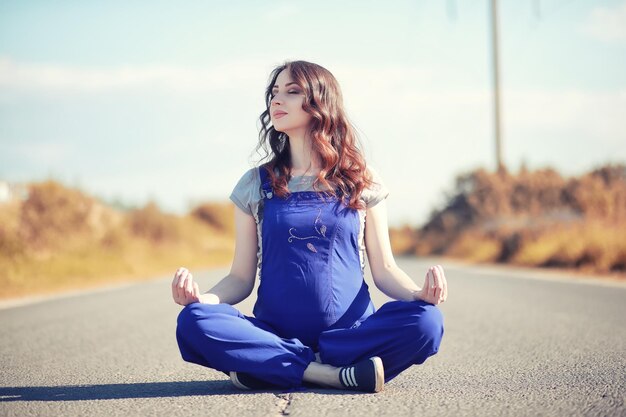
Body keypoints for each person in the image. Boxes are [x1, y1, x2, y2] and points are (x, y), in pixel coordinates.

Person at [172, 60, 447, 393]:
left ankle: (271, 367)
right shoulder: (254, 184)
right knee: (193, 321)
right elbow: (240, 279)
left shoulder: (362, 179)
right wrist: (203, 298)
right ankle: (329, 374)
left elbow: (386, 269)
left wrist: (419, 295)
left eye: (291, 92)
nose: (276, 101)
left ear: (320, 102)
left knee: (427, 322)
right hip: (274, 335)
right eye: (274, 93)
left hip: (351, 338)